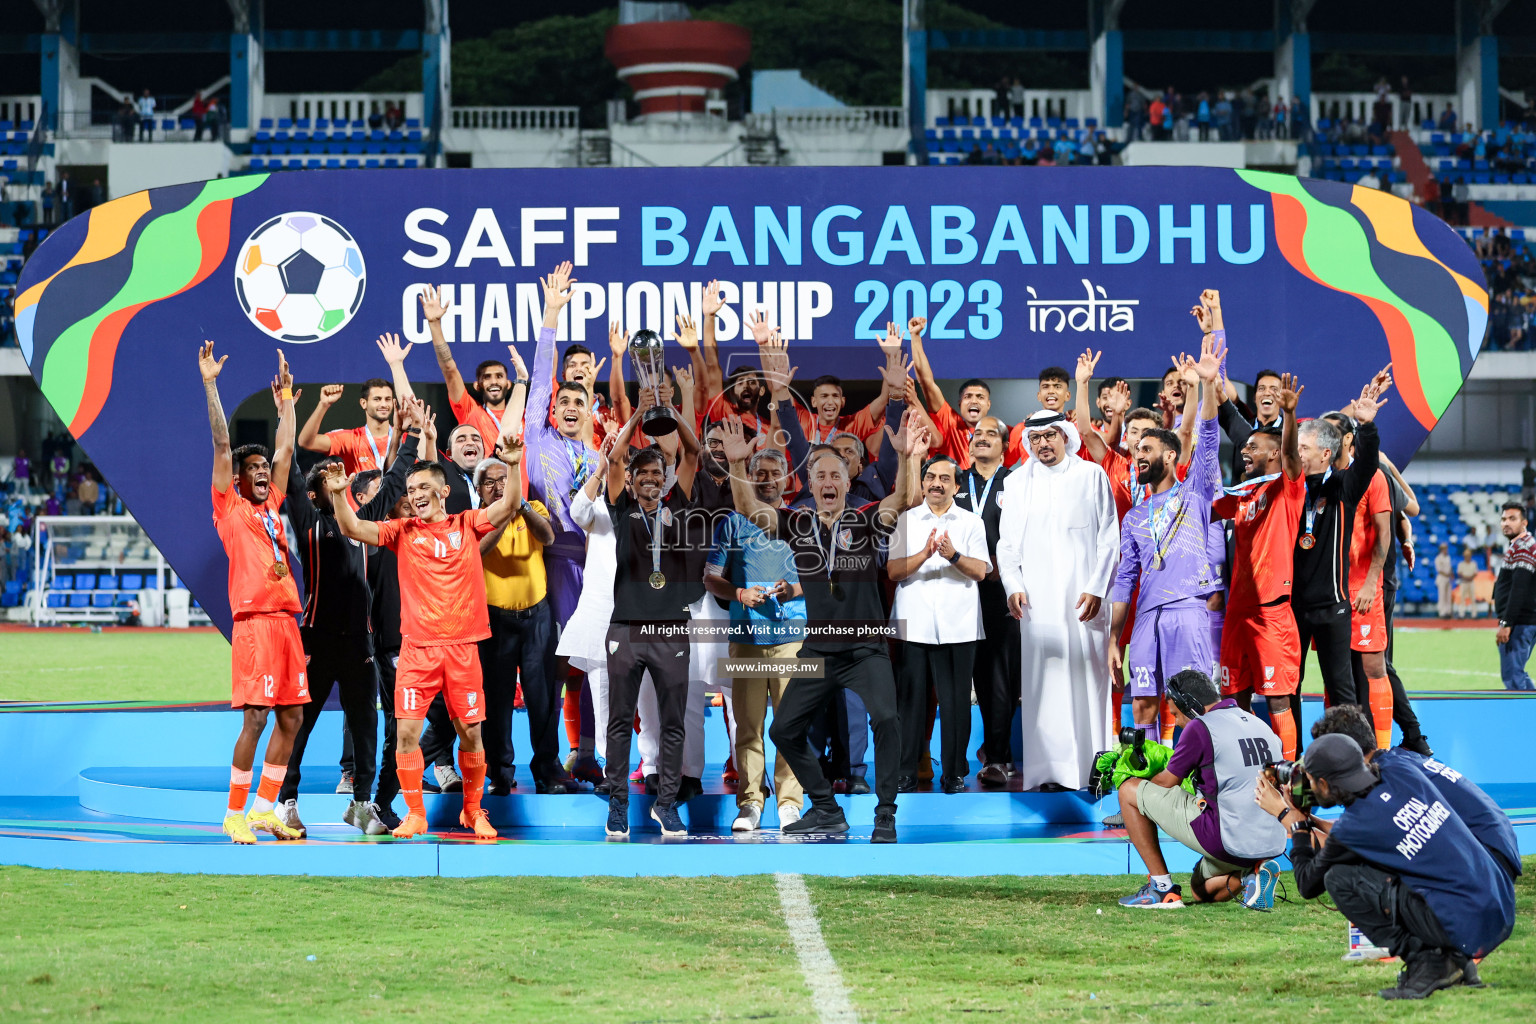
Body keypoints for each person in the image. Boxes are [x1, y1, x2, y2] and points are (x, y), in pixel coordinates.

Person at [325, 426, 531, 841]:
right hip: (416, 651)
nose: (415, 492)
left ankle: (473, 811)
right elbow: (351, 528)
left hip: (462, 649)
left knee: (471, 733)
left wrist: (511, 463)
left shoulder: (467, 524)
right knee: (405, 733)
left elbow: (509, 506)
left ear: (442, 491)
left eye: (422, 486)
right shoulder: (402, 532)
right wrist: (336, 493)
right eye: (410, 487)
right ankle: (415, 813)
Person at [739, 411, 922, 842]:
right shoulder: (797, 523)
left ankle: (885, 814)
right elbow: (748, 508)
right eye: (818, 475)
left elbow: (906, 498)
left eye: (834, 475)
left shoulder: (865, 519)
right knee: (783, 730)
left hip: (865, 650)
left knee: (887, 720)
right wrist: (734, 464)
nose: (827, 482)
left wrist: (909, 456)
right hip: (818, 651)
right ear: (810, 484)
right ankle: (825, 808)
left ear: (845, 482)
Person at [1260, 733, 1516, 1000]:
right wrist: (1305, 818)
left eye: (1310, 781)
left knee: (1339, 878)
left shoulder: (1356, 825)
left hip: (1468, 920)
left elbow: (1307, 883)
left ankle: (1427, 962)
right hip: (1498, 904)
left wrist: (1293, 823)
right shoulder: (1403, 771)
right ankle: (1456, 963)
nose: (1307, 787)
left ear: (1324, 783)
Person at [275, 399, 426, 838]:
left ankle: (361, 805)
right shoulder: (306, 519)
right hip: (317, 640)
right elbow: (287, 460)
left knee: (366, 725)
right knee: (297, 724)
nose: (338, 478)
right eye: (328, 477)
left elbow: (396, 477)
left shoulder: (365, 521)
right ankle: (285, 800)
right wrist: (286, 406)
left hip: (360, 641)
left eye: (342, 475)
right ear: (314, 492)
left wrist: (411, 433)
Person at [198, 341, 307, 844]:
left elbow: (287, 450)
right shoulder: (230, 510)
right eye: (254, 469)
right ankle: (234, 812)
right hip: (255, 625)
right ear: (237, 480)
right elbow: (223, 445)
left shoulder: (272, 505)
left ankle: (265, 809)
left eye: (265, 469)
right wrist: (211, 385)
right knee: (257, 717)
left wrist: (285, 401)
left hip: (287, 622)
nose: (264, 472)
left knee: (292, 717)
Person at [996, 410, 1119, 792]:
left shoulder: (1091, 475)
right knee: (1043, 683)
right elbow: (1007, 543)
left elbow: (1108, 537)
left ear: (1065, 436)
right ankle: (1049, 772)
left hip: (1085, 602)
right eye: (1035, 438)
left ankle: (1095, 770)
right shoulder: (1016, 483)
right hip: (1037, 603)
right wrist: (1012, 584)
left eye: (1050, 436)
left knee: (1088, 681)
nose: (1042, 444)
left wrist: (1098, 587)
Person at [598, 391, 703, 839]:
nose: (648, 479)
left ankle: (666, 805)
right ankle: (618, 804)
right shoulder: (621, 511)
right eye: (641, 473)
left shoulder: (676, 504)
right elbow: (616, 456)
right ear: (633, 479)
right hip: (626, 628)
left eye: (656, 473)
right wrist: (640, 413)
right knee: (621, 720)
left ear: (664, 479)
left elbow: (694, 453)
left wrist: (672, 414)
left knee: (673, 720)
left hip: (672, 629)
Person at [1110, 333, 1224, 744]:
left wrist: (1208, 385)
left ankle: (1194, 788)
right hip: (1144, 619)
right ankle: (1146, 789)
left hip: (1186, 612)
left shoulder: (1195, 493)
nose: (1138, 455)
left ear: (1171, 455)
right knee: (1143, 705)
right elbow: (1124, 580)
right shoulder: (1135, 516)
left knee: (1192, 705)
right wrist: (1112, 639)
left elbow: (1208, 440)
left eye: (1147, 449)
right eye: (1135, 449)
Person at [1117, 670, 1286, 909]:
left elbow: (1166, 784)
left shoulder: (1201, 727)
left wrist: (1133, 774)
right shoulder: (1260, 725)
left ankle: (1161, 888)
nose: (1176, 722)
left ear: (1191, 704)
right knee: (1199, 891)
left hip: (1227, 839)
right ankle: (1252, 877)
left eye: (1175, 713)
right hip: (1269, 841)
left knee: (1128, 790)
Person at [704, 444, 806, 831]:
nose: (766, 479)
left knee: (790, 723)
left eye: (772, 472)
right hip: (746, 637)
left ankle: (790, 802)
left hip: (791, 636)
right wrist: (739, 593)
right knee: (747, 725)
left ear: (787, 479)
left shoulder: (801, 521)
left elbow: (817, 576)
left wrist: (790, 588)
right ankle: (749, 803)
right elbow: (710, 576)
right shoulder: (731, 522)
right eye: (758, 472)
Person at [1310, 705, 1521, 887]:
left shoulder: (1386, 778)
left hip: (1486, 859)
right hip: (1496, 846)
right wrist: (1312, 821)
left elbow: (1361, 846)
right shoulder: (1398, 761)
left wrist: (1291, 821)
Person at [1212, 373, 1305, 755]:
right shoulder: (1243, 496)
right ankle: (1244, 771)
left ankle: (1287, 782)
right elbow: (1207, 507)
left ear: (1271, 454)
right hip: (1238, 610)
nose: (1244, 451)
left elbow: (1293, 458)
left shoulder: (1287, 489)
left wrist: (1290, 417)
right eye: (1243, 446)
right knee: (1234, 697)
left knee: (1279, 700)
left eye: (1252, 446)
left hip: (1271, 614)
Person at [888, 452, 991, 792]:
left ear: (956, 486)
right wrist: (926, 554)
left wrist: (953, 555)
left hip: (958, 626)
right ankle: (905, 771)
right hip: (912, 625)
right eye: (931, 477)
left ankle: (954, 774)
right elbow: (893, 571)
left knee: (956, 703)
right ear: (923, 482)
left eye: (944, 478)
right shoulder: (906, 520)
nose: (935, 483)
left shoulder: (971, 523)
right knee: (910, 702)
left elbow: (980, 571)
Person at [1290, 368, 1391, 711]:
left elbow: (1366, 465)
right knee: (1291, 686)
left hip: (1332, 606)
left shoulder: (1343, 487)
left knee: (1340, 688)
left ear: (1325, 454)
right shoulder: (1288, 489)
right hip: (1292, 605)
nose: (1298, 452)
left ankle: (1353, 759)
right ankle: (1296, 759)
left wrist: (1366, 426)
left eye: (1305, 447)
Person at [474, 447, 569, 792]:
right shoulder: (476, 518)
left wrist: (522, 506)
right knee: (496, 700)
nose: (498, 486)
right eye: (489, 483)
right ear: (480, 490)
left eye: (504, 479)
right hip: (495, 622)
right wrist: (502, 514)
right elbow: (479, 550)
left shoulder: (534, 509)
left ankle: (547, 768)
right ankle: (499, 771)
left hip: (537, 618)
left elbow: (548, 537)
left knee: (542, 697)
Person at [1320, 410, 1395, 747]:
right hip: (1329, 591)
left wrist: (1370, 582)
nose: (1329, 439)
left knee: (1373, 667)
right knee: (1333, 673)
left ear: (1348, 438)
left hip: (1362, 587)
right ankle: (1339, 743)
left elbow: (1383, 536)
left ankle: (1383, 749)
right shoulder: (1320, 480)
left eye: (1334, 433)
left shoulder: (1372, 477)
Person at [953, 416, 1016, 785]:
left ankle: (996, 757)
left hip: (1000, 592)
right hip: (958, 590)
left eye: (992, 434)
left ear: (1005, 446)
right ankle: (955, 760)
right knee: (961, 677)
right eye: (977, 434)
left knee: (998, 679)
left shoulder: (1017, 482)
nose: (982, 439)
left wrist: (1006, 572)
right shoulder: (955, 480)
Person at [297, 375, 400, 475]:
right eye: (377, 399)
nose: (383, 404)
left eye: (387, 399)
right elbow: (306, 442)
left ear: (393, 402)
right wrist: (323, 404)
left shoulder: (403, 439)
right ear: (363, 403)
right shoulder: (350, 439)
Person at [1493, 500, 1536, 691]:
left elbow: (1519, 588)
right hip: (1523, 620)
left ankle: (1526, 719)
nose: (1506, 523)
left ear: (1524, 522)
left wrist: (1506, 623)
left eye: (1512, 519)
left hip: (1520, 622)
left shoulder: (1523, 547)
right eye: (1503, 519)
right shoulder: (1520, 545)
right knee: (1518, 674)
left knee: (1513, 677)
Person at [1435, 542, 1454, 618]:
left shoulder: (1448, 557)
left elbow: (1450, 567)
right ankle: (1442, 612)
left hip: (1448, 578)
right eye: (1444, 548)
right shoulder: (1438, 558)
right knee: (1442, 595)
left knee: (1448, 595)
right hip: (1442, 578)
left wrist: (1451, 574)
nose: (1446, 550)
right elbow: (1439, 570)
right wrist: (1447, 574)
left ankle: (1448, 611)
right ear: (1441, 549)